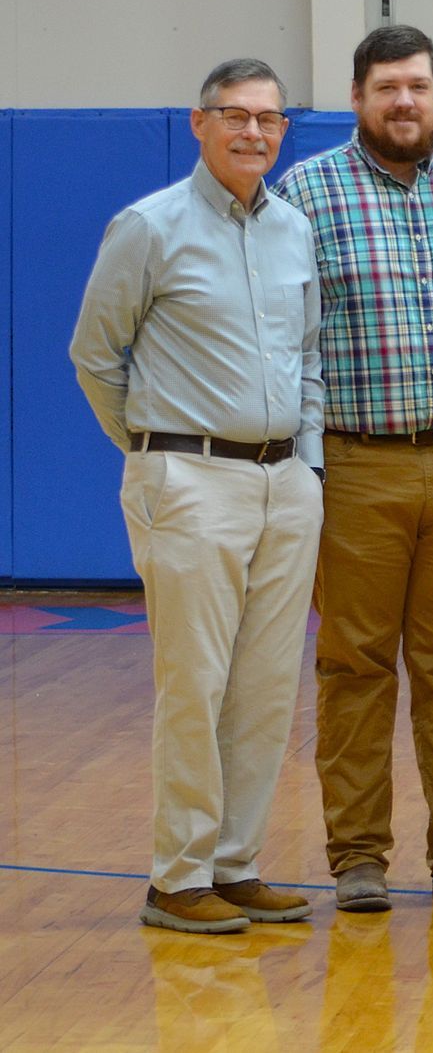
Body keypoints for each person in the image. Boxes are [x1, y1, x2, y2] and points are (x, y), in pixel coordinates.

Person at [70, 58, 323, 933]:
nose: (255, 132)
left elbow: (310, 357)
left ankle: (234, 863)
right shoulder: (148, 226)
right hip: (189, 478)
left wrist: (310, 465)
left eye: (270, 119)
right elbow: (95, 356)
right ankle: (178, 876)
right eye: (237, 115)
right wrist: (157, 454)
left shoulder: (295, 229)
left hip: (285, 483)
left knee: (265, 687)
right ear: (199, 122)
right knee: (195, 682)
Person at [274, 24, 433, 912]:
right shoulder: (305, 193)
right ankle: (360, 857)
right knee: (355, 668)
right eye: (385, 88)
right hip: (355, 466)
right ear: (357, 98)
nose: (403, 102)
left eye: (417, 86)